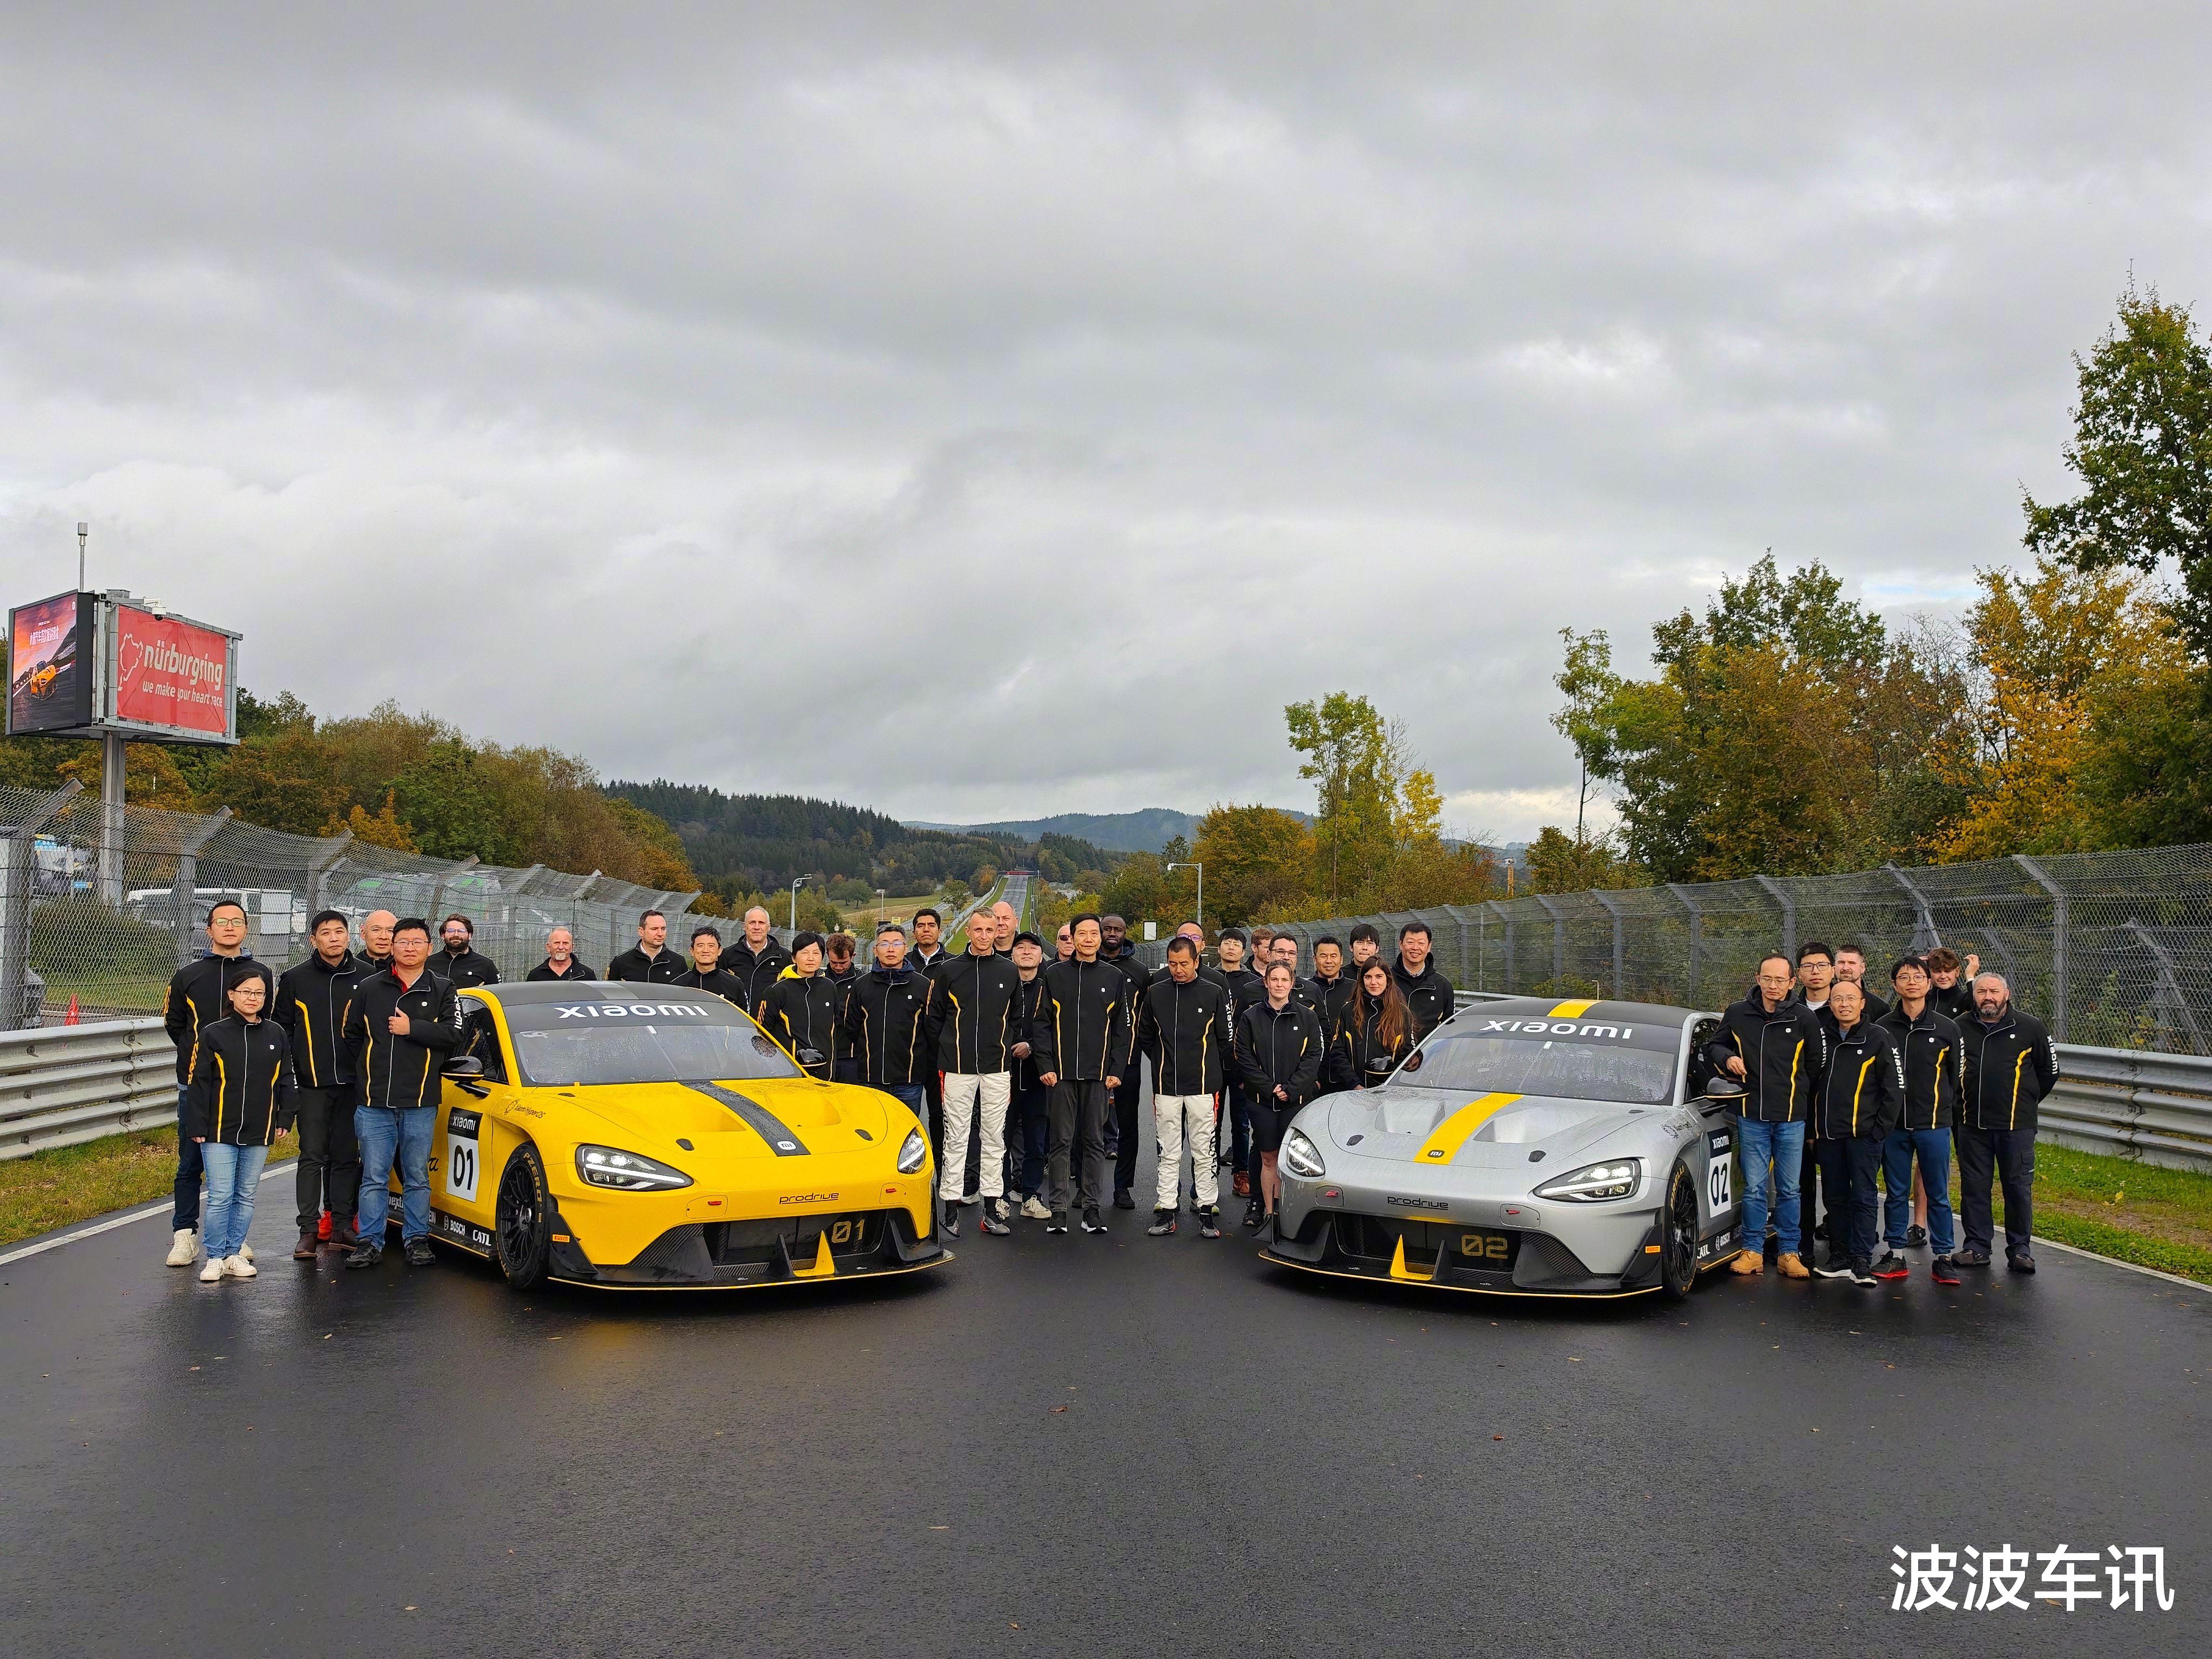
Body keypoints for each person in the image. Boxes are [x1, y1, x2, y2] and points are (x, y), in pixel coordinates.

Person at [341, 918, 464, 1269]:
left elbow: (453, 1034)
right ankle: (369, 1242)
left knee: (416, 1176)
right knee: (374, 1176)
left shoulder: (443, 987)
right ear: (391, 947)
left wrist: (413, 1029)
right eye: (403, 942)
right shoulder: (368, 987)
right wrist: (370, 1069)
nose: (410, 948)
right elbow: (351, 1036)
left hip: (421, 1100)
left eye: (417, 942)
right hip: (374, 1101)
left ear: (429, 947)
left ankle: (416, 1239)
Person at [1705, 953, 1825, 1279]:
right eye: (1767, 979)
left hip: (1791, 1118)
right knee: (1755, 1188)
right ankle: (1752, 1251)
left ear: (1792, 982)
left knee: (1790, 1189)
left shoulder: (1804, 1018)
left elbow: (1814, 1066)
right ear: (1757, 979)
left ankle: (1789, 1252)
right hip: (1751, 1114)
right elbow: (1713, 1046)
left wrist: (1798, 1098)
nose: (1773, 986)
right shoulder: (1738, 1013)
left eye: (1780, 980)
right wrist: (1728, 1058)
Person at [160, 900, 263, 1269]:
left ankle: (235, 1237)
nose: (230, 927)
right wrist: (196, 1058)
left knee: (237, 1166)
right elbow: (175, 1025)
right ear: (209, 929)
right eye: (222, 921)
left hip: (245, 1089)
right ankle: (184, 1235)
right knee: (190, 1162)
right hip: (196, 1087)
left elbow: (267, 1025)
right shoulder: (187, 975)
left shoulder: (260, 972)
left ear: (247, 929)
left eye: (237, 921)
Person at [180, 966, 291, 1282]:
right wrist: (197, 1126)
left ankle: (233, 1254)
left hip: (259, 1128)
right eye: (246, 992)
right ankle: (214, 1256)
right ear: (232, 995)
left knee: (245, 1194)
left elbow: (285, 1079)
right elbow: (198, 1083)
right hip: (218, 1129)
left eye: (259, 993)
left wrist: (285, 1116)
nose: (253, 998)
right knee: (220, 1195)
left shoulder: (276, 1034)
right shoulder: (214, 1033)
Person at [1029, 914, 1130, 1235]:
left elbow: (1121, 1030)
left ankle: (1092, 1209)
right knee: (1060, 1142)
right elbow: (1041, 1025)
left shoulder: (1114, 977)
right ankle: (1058, 1209)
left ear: (1100, 938)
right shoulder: (1054, 975)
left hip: (1099, 1076)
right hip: (1059, 1077)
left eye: (1093, 933)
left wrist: (1116, 1070)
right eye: (1081, 934)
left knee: (1095, 1142)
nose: (1088, 939)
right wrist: (1045, 1065)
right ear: (1072, 939)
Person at [276, 908, 366, 1258]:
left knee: (346, 1157)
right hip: (312, 1085)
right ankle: (308, 1231)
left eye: (339, 932)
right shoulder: (295, 978)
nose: (333, 938)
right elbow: (282, 1030)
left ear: (349, 936)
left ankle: (343, 1225)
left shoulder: (368, 976)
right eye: (325, 933)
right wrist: (290, 1079)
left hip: (353, 1085)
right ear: (313, 939)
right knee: (312, 1156)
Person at [1956, 972, 2059, 1273]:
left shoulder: (2030, 1027)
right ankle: (1976, 1247)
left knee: (2017, 1188)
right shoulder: (1959, 1027)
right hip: (1971, 1125)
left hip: (2017, 1127)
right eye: (1981, 991)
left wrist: (2025, 1101)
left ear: (2007, 994)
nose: (1988, 997)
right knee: (1974, 1187)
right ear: (1974, 995)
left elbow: (2048, 1072)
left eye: (1994, 991)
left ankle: (2020, 1250)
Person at [932, 909, 1022, 1237]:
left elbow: (1015, 1018)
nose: (984, 935)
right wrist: (947, 1051)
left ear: (998, 931)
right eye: (978, 930)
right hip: (957, 1068)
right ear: (968, 932)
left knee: (994, 1138)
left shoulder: (1009, 971)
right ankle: (951, 1209)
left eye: (990, 929)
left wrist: (1002, 1047)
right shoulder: (948, 971)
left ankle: (991, 1209)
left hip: (997, 1068)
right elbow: (935, 1017)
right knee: (956, 1137)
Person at [1136, 935, 1232, 1238]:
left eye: (1185, 964)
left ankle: (1206, 1210)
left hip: (1203, 1086)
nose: (1178, 970)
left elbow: (1224, 1039)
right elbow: (1145, 1037)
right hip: (1166, 1086)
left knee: (1205, 1150)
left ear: (1197, 961)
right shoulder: (1155, 993)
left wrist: (1213, 1073)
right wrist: (1163, 1063)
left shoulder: (1214, 992)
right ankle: (1166, 1209)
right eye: (1174, 964)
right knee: (1169, 1150)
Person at [1809, 980, 1904, 1287]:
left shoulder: (1879, 1038)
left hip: (1865, 1137)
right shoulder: (1821, 1037)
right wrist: (1814, 1129)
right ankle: (1840, 1256)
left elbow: (1895, 1089)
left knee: (1863, 1197)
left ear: (1863, 1003)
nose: (1844, 1004)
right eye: (1838, 999)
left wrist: (1879, 1131)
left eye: (1851, 998)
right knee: (1834, 1197)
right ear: (1831, 1004)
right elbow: (1809, 1086)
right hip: (1829, 1135)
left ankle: (1862, 1259)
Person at [1876, 956, 1964, 1285]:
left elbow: (1956, 1077)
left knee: (1938, 1192)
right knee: (1896, 1192)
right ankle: (1896, 1252)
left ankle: (1943, 1255)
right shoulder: (1882, 1027)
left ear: (1929, 983)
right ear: (1895, 985)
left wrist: (1941, 1111)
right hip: (1894, 1126)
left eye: (1918, 976)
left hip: (1934, 1125)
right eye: (1904, 977)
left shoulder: (1947, 1028)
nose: (1911, 981)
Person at [1233, 961, 1324, 1233]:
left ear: (1292, 983)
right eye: (1275, 979)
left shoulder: (1306, 1017)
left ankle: (1292, 1216)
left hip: (1296, 1103)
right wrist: (1269, 1087)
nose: (1280, 985)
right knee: (1269, 1158)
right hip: (1262, 1102)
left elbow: (1313, 1056)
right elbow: (1244, 1057)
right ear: (1267, 982)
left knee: (1295, 1160)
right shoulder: (1251, 1017)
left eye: (1285, 980)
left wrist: (1292, 1088)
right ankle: (1271, 1216)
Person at [837, 924, 940, 1128]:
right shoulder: (861, 985)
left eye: (896, 944)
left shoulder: (923, 985)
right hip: (870, 1080)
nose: (890, 949)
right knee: (872, 1132)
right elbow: (852, 1028)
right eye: (884, 944)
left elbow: (931, 1030)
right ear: (875, 950)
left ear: (906, 948)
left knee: (906, 1134)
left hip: (909, 1081)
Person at [1099, 914, 1153, 1208]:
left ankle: (1123, 1187)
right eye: (1106, 929)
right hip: (1091, 1061)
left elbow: (1145, 1016)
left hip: (1129, 1060)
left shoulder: (1140, 972)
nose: (1111, 934)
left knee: (1128, 1126)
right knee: (1088, 1126)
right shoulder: (1086, 966)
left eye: (1117, 930)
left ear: (1125, 933)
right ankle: (1086, 1187)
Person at [1006, 931, 1054, 1217]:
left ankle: (1031, 1196)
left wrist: (1032, 1046)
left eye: (1032, 948)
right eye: (1020, 948)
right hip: (1004, 1076)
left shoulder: (1051, 987)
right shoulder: (1002, 985)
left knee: (1036, 1140)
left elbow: (1060, 1028)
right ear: (1012, 954)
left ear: (1041, 955)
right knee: (1000, 1139)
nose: (1026, 952)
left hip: (1039, 1076)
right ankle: (997, 1196)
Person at [1793, 941, 1836, 1247]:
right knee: (1800, 1184)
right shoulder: (1789, 1011)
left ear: (1833, 970)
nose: (1816, 972)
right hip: (1799, 1112)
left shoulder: (1847, 1009)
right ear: (1799, 974)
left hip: (1838, 1114)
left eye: (1822, 965)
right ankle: (1800, 1245)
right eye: (1808, 966)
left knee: (1838, 1184)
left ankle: (1843, 1247)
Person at [1217, 928, 1265, 1198]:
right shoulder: (1209, 978)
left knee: (1241, 1122)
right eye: (1227, 943)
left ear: (1244, 952)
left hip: (1242, 1065)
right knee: (1210, 1124)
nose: (1231, 948)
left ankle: (1241, 1174)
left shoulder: (1253, 983)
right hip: (1212, 1063)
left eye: (1237, 944)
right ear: (1219, 948)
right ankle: (1206, 1178)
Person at [757, 932, 840, 1080]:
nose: (811, 958)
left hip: (826, 1072)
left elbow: (835, 1026)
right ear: (794, 957)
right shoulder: (777, 991)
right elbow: (762, 1034)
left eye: (816, 953)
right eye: (805, 953)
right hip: (789, 1073)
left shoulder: (830, 987)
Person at [1330, 959, 1414, 1090]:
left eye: (1379, 977)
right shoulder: (1348, 1011)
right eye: (1368, 977)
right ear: (1362, 981)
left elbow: (1408, 1055)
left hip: (1388, 1091)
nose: (1373, 983)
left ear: (1388, 979)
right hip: (1352, 1091)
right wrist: (1354, 1084)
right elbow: (1337, 1051)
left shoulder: (1402, 1013)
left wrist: (1390, 1084)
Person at [1391, 921, 1455, 1042]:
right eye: (1410, 942)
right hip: (1390, 1056)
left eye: (1421, 943)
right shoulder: (1386, 980)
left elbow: (1448, 1029)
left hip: (1429, 1057)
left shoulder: (1442, 985)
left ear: (1429, 947)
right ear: (1401, 944)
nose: (1415, 948)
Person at [726, 906, 792, 1010]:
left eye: (761, 923)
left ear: (769, 927)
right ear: (745, 926)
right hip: (738, 1022)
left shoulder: (783, 957)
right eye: (752, 922)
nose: (757, 927)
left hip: (771, 1024)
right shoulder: (729, 955)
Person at [675, 924, 750, 1008]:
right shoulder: (677, 985)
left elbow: (743, 1018)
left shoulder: (735, 984)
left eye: (711, 946)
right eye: (700, 946)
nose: (706, 950)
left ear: (719, 951)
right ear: (692, 951)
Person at [824, 933, 862, 1082]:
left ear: (853, 957)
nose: (838, 967)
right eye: (834, 962)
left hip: (851, 1057)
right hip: (824, 1054)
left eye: (843, 962)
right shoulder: (819, 978)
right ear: (827, 955)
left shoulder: (862, 981)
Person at [606, 909, 685, 983]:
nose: (660, 934)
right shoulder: (621, 963)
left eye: (663, 929)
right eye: (654, 929)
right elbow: (612, 994)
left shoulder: (678, 962)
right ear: (641, 931)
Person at [433, 914, 500, 989]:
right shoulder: (429, 963)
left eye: (461, 931)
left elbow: (498, 993)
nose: (456, 935)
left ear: (470, 936)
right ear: (443, 935)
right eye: (451, 931)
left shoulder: (486, 965)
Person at [1923, 947, 1981, 1022]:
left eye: (1948, 971)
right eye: (1937, 972)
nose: (1943, 977)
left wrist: (1970, 977)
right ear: (1928, 973)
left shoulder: (1965, 999)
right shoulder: (1923, 999)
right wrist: (1914, 971)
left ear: (1957, 972)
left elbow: (1979, 1011)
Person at [1833, 946, 1890, 1020]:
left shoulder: (1879, 1007)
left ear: (1862, 968)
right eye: (1841, 963)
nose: (1846, 968)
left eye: (1852, 963)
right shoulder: (1824, 1003)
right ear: (1834, 968)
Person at [526, 927, 596, 981]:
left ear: (572, 947)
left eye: (565, 943)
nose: (561, 947)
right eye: (557, 943)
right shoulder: (535, 976)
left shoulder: (586, 975)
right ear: (548, 947)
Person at [356, 910, 396, 976]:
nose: (383, 937)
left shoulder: (406, 971)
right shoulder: (349, 970)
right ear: (364, 934)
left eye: (390, 931)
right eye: (376, 930)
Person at [909, 908, 949, 974]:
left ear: (939, 932)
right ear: (914, 934)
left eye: (932, 926)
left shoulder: (953, 962)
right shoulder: (904, 962)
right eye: (921, 926)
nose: (926, 930)